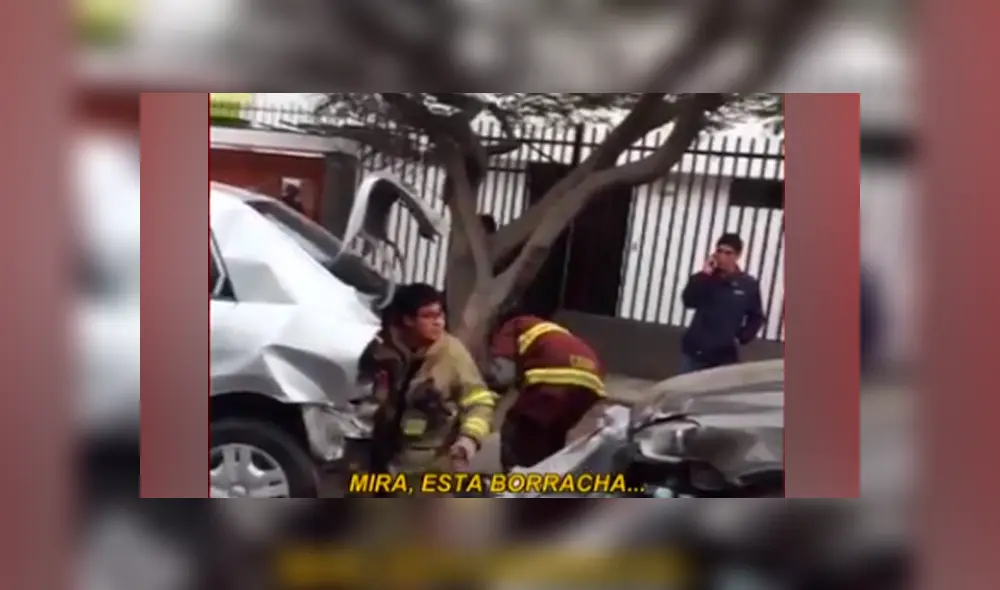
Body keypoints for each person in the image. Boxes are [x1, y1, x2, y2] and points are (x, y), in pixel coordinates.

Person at [366, 283, 497, 480]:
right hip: (382, 459)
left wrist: (468, 441)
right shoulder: (383, 345)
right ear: (407, 320)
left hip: (429, 467)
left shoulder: (452, 354)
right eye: (428, 316)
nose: (438, 322)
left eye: (440, 315)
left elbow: (480, 402)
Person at [486, 314, 607, 472]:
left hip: (555, 376)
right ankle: (546, 482)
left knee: (518, 427)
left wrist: (486, 402)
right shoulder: (550, 331)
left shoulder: (509, 328)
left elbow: (503, 376)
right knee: (552, 432)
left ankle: (514, 482)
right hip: (591, 382)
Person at [679, 233, 765, 374]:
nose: (722, 256)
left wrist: (743, 336)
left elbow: (756, 316)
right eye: (719, 251)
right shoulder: (704, 278)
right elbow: (688, 301)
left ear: (737, 256)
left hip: (724, 355)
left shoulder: (747, 285)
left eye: (728, 253)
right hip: (695, 351)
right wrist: (704, 276)